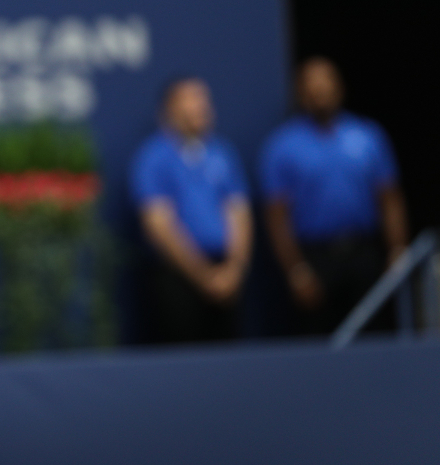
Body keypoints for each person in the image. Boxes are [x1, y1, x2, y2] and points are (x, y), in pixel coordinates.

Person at [260, 57, 409, 337]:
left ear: (339, 88)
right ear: (300, 93)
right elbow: (277, 215)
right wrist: (296, 269)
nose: (320, 91)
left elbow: (389, 198)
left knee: (373, 337)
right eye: (312, 85)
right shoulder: (282, 146)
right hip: (315, 257)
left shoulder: (368, 136)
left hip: (364, 253)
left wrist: (398, 250)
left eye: (326, 82)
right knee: (319, 341)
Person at [130, 78, 253, 343]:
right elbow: (159, 223)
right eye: (190, 99)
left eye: (203, 99)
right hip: (179, 276)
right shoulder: (153, 157)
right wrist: (202, 276)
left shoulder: (222, 152)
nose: (200, 106)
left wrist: (234, 269)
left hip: (226, 273)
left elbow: (238, 212)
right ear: (168, 109)